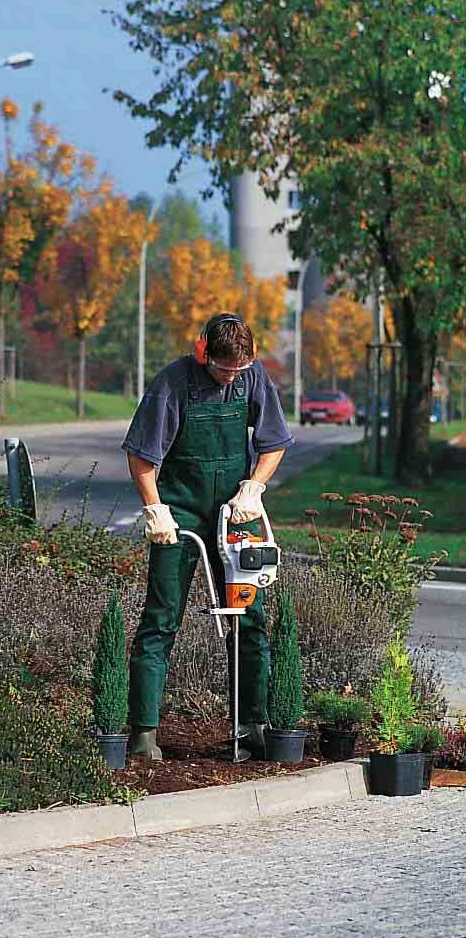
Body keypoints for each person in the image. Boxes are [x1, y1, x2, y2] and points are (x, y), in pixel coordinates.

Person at [122, 313, 294, 759]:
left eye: (238, 370)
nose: (230, 376)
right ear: (202, 352)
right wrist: (154, 508)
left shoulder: (253, 378)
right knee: (160, 619)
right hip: (179, 510)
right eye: (222, 368)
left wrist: (254, 486)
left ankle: (253, 722)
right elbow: (142, 456)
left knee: (250, 618)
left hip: (235, 512)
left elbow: (273, 442)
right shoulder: (172, 384)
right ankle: (143, 734)